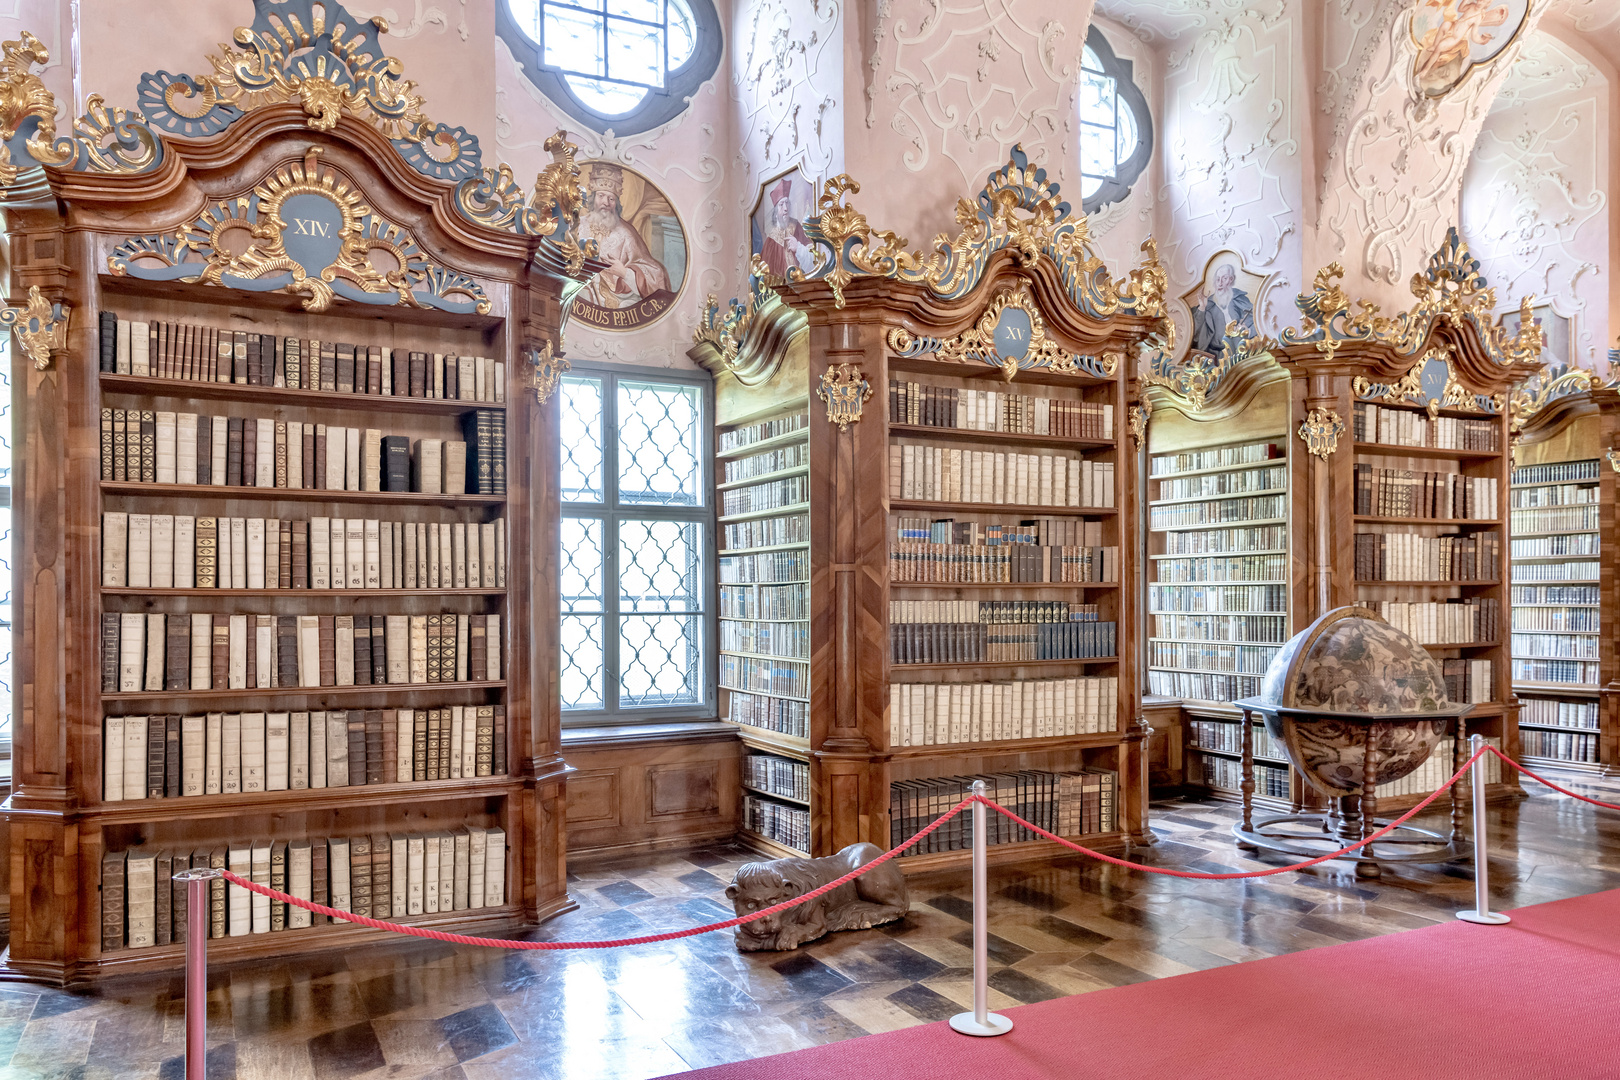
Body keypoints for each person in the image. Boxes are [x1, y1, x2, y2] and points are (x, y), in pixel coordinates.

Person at [576, 163, 672, 309]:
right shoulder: (578, 225)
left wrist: (625, 273)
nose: (606, 203)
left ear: (616, 203)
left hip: (616, 297)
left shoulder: (626, 233)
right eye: (601, 196)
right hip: (581, 290)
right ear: (593, 198)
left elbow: (656, 272)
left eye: (611, 199)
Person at [1190, 262, 1256, 356]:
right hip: (1216, 356)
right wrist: (1202, 308)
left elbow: (1257, 321)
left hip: (1241, 352)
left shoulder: (1239, 299)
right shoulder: (1207, 305)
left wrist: (1247, 331)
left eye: (1224, 278)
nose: (1220, 283)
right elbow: (1195, 335)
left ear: (1231, 279)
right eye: (1217, 280)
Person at [758, 178, 813, 278]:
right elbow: (764, 275)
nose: (785, 208)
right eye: (781, 204)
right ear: (775, 212)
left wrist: (798, 248)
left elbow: (813, 258)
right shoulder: (770, 241)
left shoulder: (797, 227)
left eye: (787, 203)